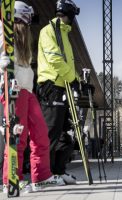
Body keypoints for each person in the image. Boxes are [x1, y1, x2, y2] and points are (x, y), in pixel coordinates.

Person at [0, 1, 65, 193]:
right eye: (26, 23)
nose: (28, 28)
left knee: (40, 133)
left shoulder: (23, 41)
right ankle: (10, 178)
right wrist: (2, 63)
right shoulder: (4, 33)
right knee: (17, 135)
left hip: (28, 90)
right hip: (14, 90)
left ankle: (42, 176)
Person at [36, 0, 80, 184]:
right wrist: (73, 78)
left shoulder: (63, 33)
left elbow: (67, 64)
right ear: (69, 16)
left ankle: (59, 171)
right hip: (51, 86)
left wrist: (77, 80)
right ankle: (46, 174)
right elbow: (54, 60)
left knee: (66, 134)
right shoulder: (49, 31)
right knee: (51, 133)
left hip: (63, 86)